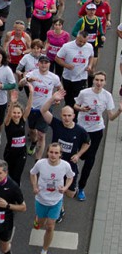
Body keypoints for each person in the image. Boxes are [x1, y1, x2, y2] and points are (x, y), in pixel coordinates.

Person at [41, 91, 90, 219]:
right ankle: (59, 208)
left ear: (73, 116)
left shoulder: (80, 131)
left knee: (70, 193)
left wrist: (78, 155)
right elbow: (43, 111)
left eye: (69, 115)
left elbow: (87, 143)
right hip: (54, 164)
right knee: (56, 188)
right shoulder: (56, 124)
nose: (66, 118)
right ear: (61, 115)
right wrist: (52, 99)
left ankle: (63, 197)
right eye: (64, 115)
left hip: (70, 165)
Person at [74, 71, 122, 201]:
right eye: (97, 80)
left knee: (90, 160)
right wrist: (81, 109)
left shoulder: (107, 96)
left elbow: (111, 117)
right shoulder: (84, 93)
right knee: (79, 156)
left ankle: (81, 187)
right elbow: (75, 105)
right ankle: (72, 178)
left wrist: (119, 111)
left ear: (105, 82)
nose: (99, 83)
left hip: (96, 130)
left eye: (101, 80)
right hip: (82, 129)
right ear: (93, 81)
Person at [30, 144, 74, 254]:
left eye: (56, 153)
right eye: (51, 152)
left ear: (60, 154)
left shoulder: (65, 165)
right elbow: (32, 173)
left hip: (56, 201)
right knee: (40, 224)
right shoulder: (40, 163)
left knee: (50, 226)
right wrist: (34, 186)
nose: (53, 155)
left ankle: (44, 252)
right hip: (41, 200)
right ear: (47, 153)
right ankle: (37, 220)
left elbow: (70, 177)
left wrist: (65, 188)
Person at [55, 31, 94, 108]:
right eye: (80, 41)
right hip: (68, 77)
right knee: (68, 98)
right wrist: (66, 65)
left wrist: (90, 65)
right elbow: (57, 58)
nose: (82, 43)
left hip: (81, 77)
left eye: (84, 42)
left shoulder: (89, 47)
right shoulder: (67, 46)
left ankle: (75, 113)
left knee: (78, 98)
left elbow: (91, 56)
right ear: (76, 37)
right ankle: (68, 110)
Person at [3, 89, 33, 185]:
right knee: (11, 175)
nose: (16, 115)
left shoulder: (23, 120)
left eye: (18, 113)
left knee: (17, 175)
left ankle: (16, 191)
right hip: (10, 153)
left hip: (21, 153)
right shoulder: (8, 122)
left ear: (21, 113)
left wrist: (31, 93)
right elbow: (8, 115)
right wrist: (12, 103)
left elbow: (29, 107)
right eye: (14, 113)